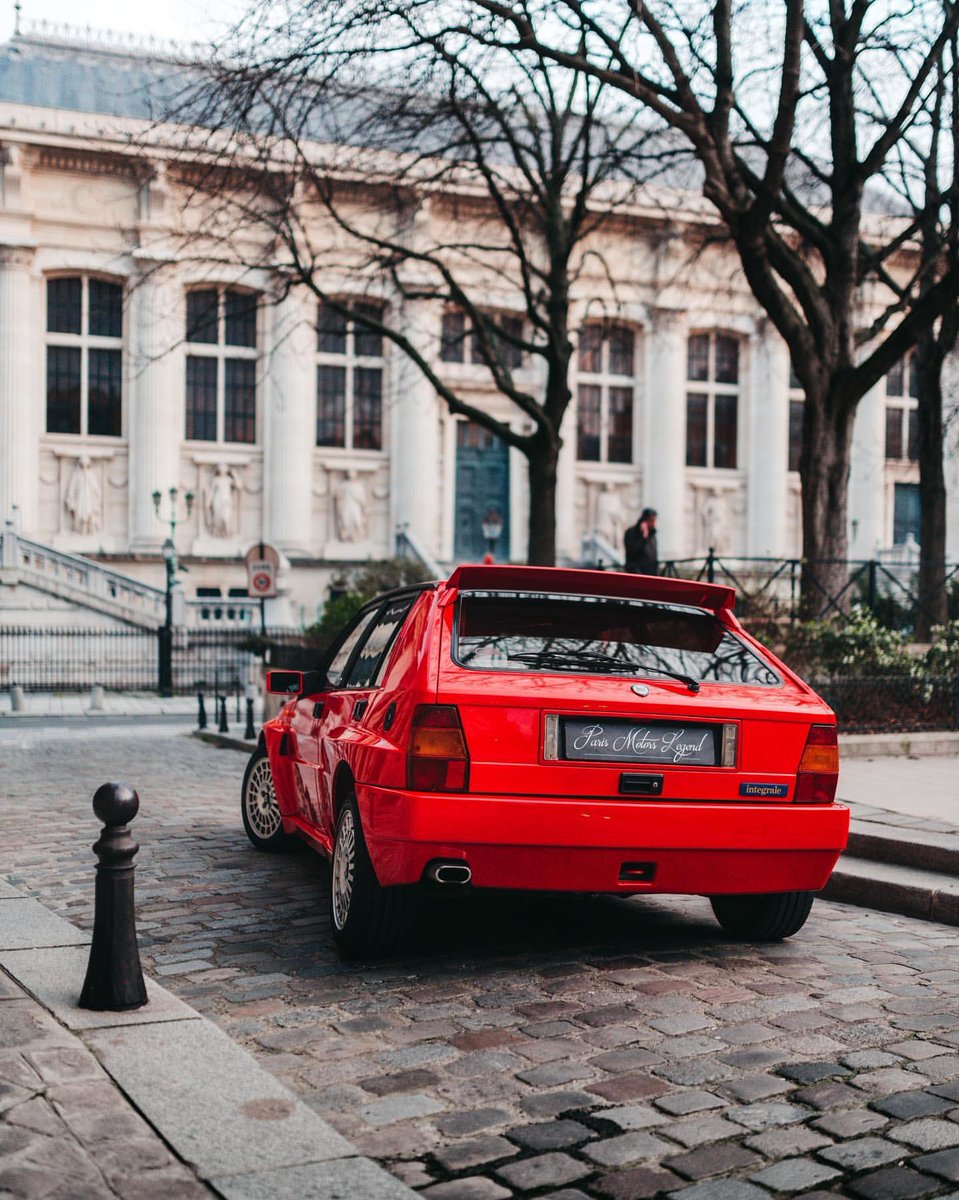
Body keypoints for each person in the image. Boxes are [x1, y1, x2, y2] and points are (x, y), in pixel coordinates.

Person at [624, 507, 658, 575]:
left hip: (650, 574)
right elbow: (632, 551)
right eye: (652, 521)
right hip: (636, 573)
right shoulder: (631, 532)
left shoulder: (652, 535)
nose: (654, 524)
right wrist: (643, 537)